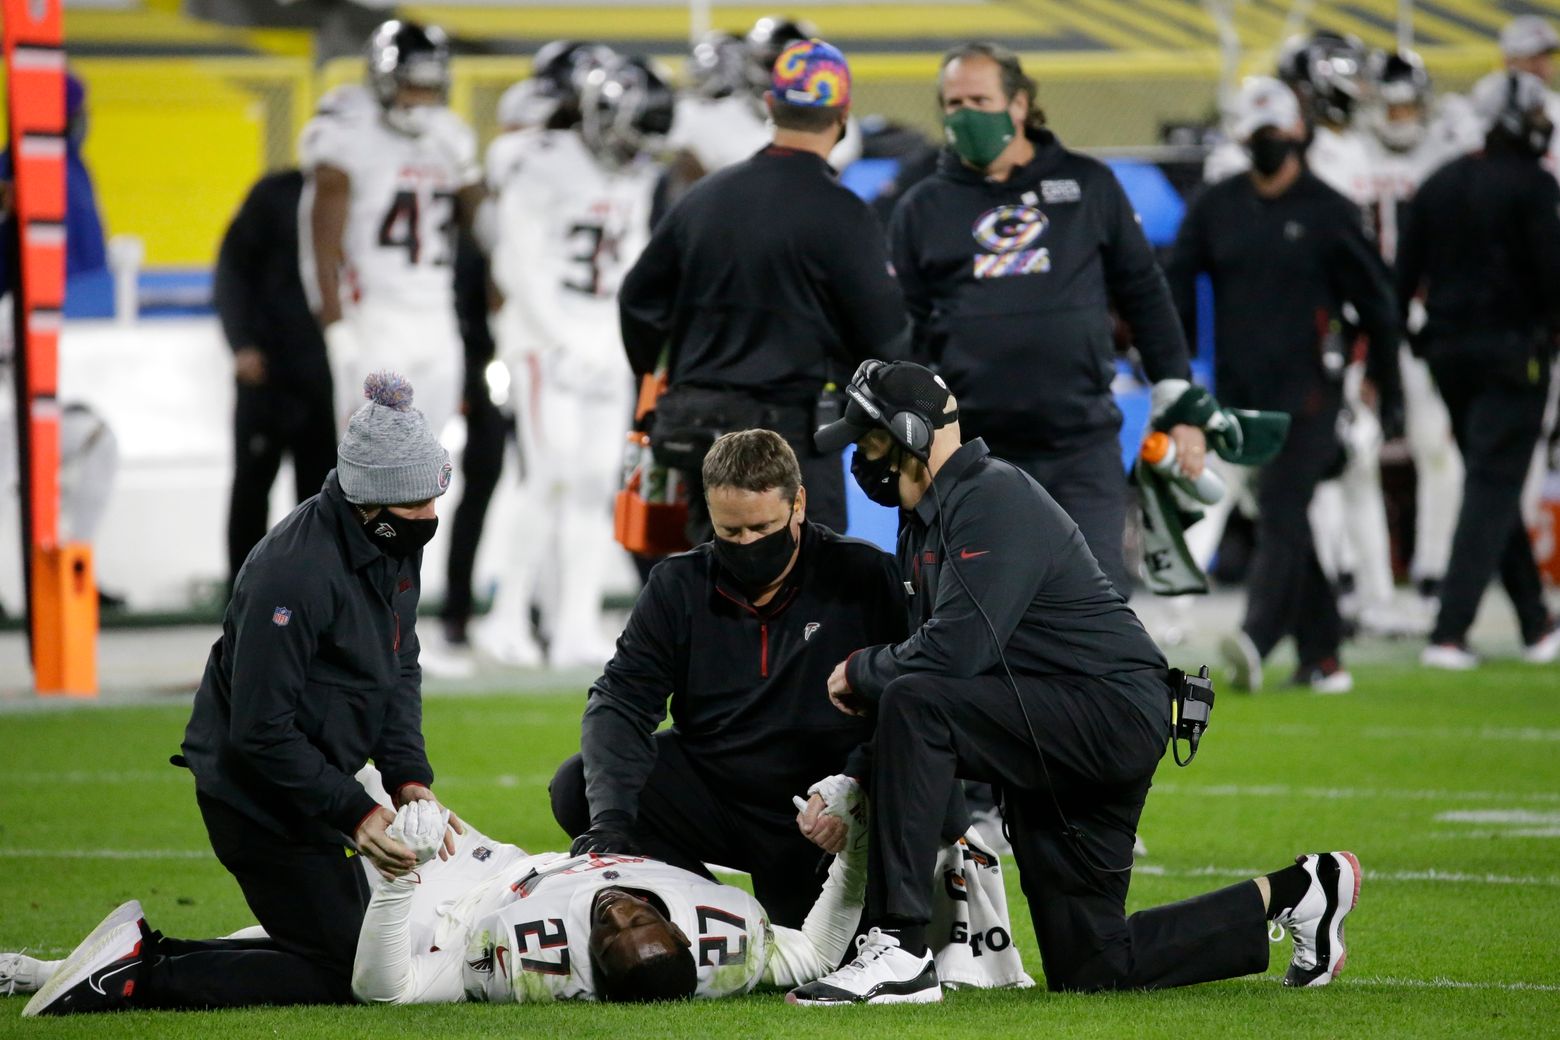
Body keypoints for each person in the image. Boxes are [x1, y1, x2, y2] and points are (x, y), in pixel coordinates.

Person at [786, 359, 1361, 1005]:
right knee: (1092, 966)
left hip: (1104, 715)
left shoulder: (989, 495)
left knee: (918, 699)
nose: (861, 459)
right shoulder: (927, 519)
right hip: (1051, 724)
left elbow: (954, 655)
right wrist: (862, 769)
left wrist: (863, 670)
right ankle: (1302, 892)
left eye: (868, 439)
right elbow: (932, 674)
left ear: (911, 433)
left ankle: (900, 949)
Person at [18, 373, 463, 1016]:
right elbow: (259, 730)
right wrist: (355, 812)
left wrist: (408, 777)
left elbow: (399, 665)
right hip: (253, 794)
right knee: (345, 970)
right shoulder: (293, 573)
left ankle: (133, 958)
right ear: (371, 500)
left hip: (309, 780)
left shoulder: (387, 541)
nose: (431, 516)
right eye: (417, 502)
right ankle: (136, 979)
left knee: (348, 947)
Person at [549, 429, 908, 928]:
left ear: (798, 503)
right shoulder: (678, 584)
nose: (748, 545)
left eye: (762, 528)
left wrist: (854, 786)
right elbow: (620, 703)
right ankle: (710, 912)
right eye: (731, 533)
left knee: (819, 952)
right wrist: (612, 824)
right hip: (716, 789)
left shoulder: (865, 576)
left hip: (819, 807)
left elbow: (908, 701)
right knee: (575, 787)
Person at [889, 42, 1204, 597]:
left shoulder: (1088, 186)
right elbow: (903, 335)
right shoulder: (922, 207)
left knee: (1097, 613)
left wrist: (1177, 399)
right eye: (952, 103)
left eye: (979, 99)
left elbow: (1145, 295)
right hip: (972, 457)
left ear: (1018, 103)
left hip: (1079, 448)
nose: (964, 115)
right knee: (979, 624)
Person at [618, 37, 908, 544]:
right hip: (791, 437)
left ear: (771, 106)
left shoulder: (704, 198)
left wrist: (672, 378)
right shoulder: (841, 212)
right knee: (804, 592)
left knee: (714, 587)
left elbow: (637, 299)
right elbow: (883, 335)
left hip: (699, 428)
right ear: (843, 114)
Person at [1167, 77, 1401, 694]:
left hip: (1313, 390)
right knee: (1285, 515)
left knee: (1280, 508)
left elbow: (1378, 304)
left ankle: (1256, 638)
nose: (1269, 142)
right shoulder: (1218, 206)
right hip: (1243, 394)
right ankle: (1323, 657)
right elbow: (1176, 281)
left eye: (1278, 131)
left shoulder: (1329, 209)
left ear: (1300, 132)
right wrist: (1174, 361)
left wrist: (1384, 384)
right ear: (1243, 138)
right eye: (1258, 133)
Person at [477, 53, 672, 670]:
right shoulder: (539, 163)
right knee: (549, 476)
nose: (633, 151)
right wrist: (560, 339)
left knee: (595, 485)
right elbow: (517, 263)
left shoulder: (637, 173)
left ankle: (575, 622)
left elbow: (635, 260)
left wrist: (617, 342)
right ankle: (507, 618)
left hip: (601, 341)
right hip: (543, 342)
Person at [347, 782, 867, 1004]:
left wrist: (401, 877)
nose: (615, 912)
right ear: (683, 935)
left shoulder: (523, 962)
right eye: (639, 922)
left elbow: (388, 990)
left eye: (606, 936)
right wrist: (855, 840)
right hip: (513, 865)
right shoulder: (732, 945)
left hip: (446, 903)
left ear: (590, 962)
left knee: (349, 780)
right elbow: (821, 953)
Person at [1400, 71, 1560, 670]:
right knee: (1492, 485)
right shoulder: (1535, 186)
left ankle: (1536, 623)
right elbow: (1553, 278)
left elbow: (1403, 277)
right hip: (1512, 354)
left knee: (1488, 483)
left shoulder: (1438, 182)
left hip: (1448, 356)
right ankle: (1450, 631)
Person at [300, 19, 483, 438]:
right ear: (383, 81)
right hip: (376, 318)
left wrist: (471, 172)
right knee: (373, 467)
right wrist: (336, 326)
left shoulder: (449, 137)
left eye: (429, 86)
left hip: (437, 315)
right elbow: (320, 246)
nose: (420, 99)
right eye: (410, 85)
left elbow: (482, 225)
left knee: (431, 461)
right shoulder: (347, 133)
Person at [1360, 49, 1466, 618]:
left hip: (1422, 318)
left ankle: (1433, 567)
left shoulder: (1445, 152)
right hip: (1362, 320)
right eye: (1391, 108)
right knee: (1353, 451)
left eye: (1408, 108)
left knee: (1436, 446)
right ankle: (1356, 578)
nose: (1400, 118)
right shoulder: (1344, 151)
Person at [215, 168, 337, 592]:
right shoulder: (274, 194)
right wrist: (242, 343)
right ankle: (243, 596)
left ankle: (314, 596)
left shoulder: (363, 194)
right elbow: (231, 269)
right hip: (267, 373)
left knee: (323, 497)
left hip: (326, 378)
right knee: (252, 488)